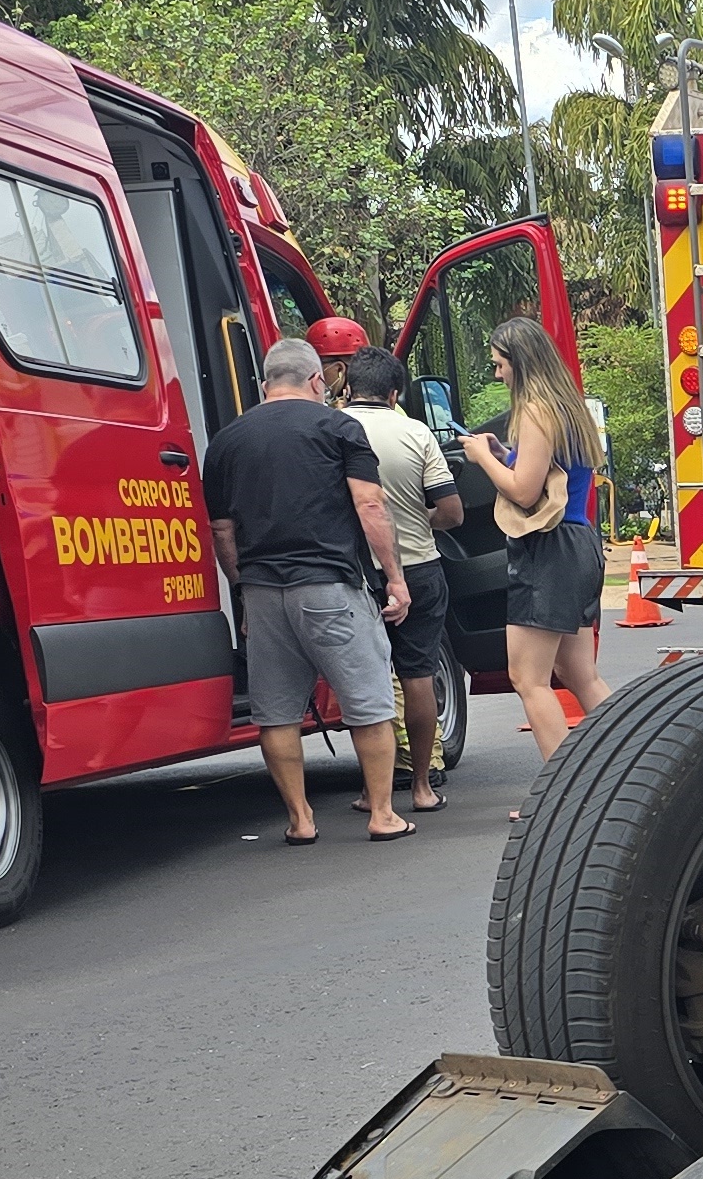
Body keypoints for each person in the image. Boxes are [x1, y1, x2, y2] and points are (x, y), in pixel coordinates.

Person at [206, 334, 413, 844]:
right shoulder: (337, 427)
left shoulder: (227, 441)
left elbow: (222, 531)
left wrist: (241, 588)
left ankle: (300, 820)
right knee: (368, 701)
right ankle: (382, 814)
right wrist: (395, 577)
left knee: (275, 712)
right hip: (329, 585)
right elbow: (370, 506)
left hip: (261, 589)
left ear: (265, 384)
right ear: (318, 380)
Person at [458, 316, 611, 765]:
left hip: (549, 549)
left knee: (528, 678)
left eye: (500, 364)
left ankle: (559, 794)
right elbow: (550, 474)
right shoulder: (568, 408)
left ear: (520, 363)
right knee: (579, 673)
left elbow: (524, 491)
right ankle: (631, 763)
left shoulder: (535, 410)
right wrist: (508, 455)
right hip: (581, 543)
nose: (497, 374)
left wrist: (483, 457)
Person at [342, 341, 458, 818]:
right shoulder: (416, 434)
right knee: (417, 675)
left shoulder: (331, 428)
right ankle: (423, 786)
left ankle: (375, 791)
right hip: (419, 568)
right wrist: (415, 520)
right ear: (395, 393)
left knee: (366, 680)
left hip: (353, 575)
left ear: (347, 387)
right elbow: (450, 511)